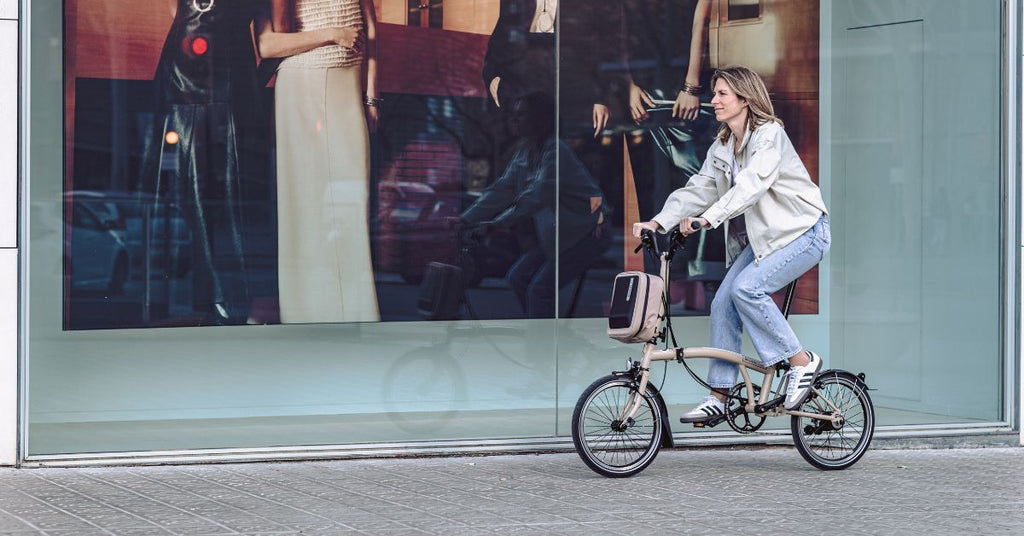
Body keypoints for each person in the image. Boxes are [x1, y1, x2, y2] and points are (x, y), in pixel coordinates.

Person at [632, 66, 830, 418]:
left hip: (803, 232)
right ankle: (719, 397)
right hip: (766, 240)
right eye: (715, 93)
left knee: (747, 290)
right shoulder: (723, 144)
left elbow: (751, 185)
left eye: (723, 94)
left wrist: (709, 218)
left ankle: (802, 361)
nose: (714, 100)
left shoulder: (769, 135)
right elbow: (699, 188)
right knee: (723, 302)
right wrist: (658, 222)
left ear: (745, 98)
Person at [141, 0, 266, 325]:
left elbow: (266, 37)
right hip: (185, 73)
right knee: (185, 185)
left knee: (227, 187)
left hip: (230, 76)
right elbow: (177, 10)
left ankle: (227, 300)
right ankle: (193, 298)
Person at [257, 0, 381, 323]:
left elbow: (371, 30)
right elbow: (268, 45)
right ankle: (304, 316)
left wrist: (371, 97)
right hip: (304, 83)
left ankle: (356, 316)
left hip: (348, 84)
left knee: (351, 201)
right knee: (306, 206)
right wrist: (332, 34)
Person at [460, 92, 610, 318]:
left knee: (540, 289)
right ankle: (546, 333)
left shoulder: (555, 151)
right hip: (564, 235)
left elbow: (538, 194)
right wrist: (466, 219)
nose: (515, 120)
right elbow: (502, 189)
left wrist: (498, 223)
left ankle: (545, 344)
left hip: (588, 233)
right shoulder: (527, 151)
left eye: (522, 115)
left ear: (540, 119)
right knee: (516, 278)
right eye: (515, 115)